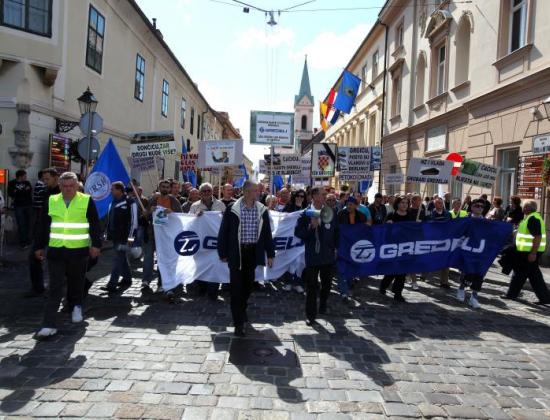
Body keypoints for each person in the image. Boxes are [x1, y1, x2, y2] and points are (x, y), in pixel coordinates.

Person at [34, 172, 102, 339]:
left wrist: (96, 244)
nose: (68, 189)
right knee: (54, 287)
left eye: (71, 186)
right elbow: (43, 225)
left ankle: (76, 306)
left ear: (77, 185)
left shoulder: (86, 200)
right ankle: (49, 324)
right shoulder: (52, 200)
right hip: (56, 251)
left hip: (78, 251)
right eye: (64, 186)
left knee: (76, 282)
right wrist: (39, 246)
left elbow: (95, 223)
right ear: (59, 186)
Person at [218, 180, 274, 337]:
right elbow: (224, 231)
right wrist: (222, 253)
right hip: (237, 253)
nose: (259, 192)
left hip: (253, 253)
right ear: (247, 191)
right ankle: (238, 323)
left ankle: (241, 310)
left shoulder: (262, 209)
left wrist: (270, 254)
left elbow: (267, 233)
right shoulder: (232, 208)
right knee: (236, 288)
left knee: (248, 286)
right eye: (256, 190)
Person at [295, 187, 338, 325]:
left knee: (327, 284)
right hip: (313, 255)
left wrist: (336, 247)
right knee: (312, 286)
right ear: (314, 196)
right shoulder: (305, 214)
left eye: (325, 194)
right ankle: (310, 315)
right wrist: (310, 227)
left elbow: (336, 231)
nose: (325, 196)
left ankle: (323, 303)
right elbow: (298, 233)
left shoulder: (331, 212)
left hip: (328, 255)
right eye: (323, 194)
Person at [503, 200, 550, 304]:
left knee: (519, 273)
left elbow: (537, 236)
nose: (523, 208)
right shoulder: (530, 217)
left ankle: (511, 294)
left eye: (524, 207)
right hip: (526, 251)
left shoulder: (533, 218)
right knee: (533, 275)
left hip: (529, 252)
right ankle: (545, 298)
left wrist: (533, 253)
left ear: (528, 208)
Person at [143, 180, 183, 292]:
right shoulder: (153, 200)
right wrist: (149, 211)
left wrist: (172, 212)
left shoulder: (174, 201)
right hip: (152, 234)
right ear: (159, 188)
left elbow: (180, 217)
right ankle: (146, 280)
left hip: (167, 236)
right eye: (163, 187)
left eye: (167, 187)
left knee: (163, 259)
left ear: (170, 189)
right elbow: (144, 216)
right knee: (148, 257)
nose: (165, 189)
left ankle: (162, 282)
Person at [26, 168, 60, 298]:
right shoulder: (47, 191)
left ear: (56, 178)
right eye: (43, 179)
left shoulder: (62, 192)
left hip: (56, 232)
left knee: (59, 263)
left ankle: (79, 286)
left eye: (47, 179)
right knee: (33, 257)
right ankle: (38, 288)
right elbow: (44, 214)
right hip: (43, 230)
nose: (45, 181)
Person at [190, 183, 226, 300]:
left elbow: (226, 221)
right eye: (204, 191)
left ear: (212, 192)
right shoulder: (195, 206)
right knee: (200, 264)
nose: (206, 193)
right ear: (200, 193)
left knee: (216, 265)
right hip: (201, 242)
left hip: (216, 241)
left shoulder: (220, 204)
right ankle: (202, 287)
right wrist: (195, 216)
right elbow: (189, 222)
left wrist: (223, 216)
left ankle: (213, 290)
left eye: (208, 191)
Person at [103, 182, 138, 292]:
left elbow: (134, 221)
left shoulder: (130, 202)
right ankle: (127, 279)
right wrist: (107, 234)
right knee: (121, 257)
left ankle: (112, 284)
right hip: (115, 236)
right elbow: (110, 219)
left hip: (124, 236)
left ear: (119, 190)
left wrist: (131, 237)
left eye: (112, 189)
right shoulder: (113, 202)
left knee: (118, 259)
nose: (111, 191)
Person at [379, 196, 414, 302]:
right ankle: (384, 285)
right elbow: (383, 231)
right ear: (397, 204)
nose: (404, 205)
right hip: (393, 247)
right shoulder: (391, 215)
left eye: (406, 203)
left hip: (405, 247)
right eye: (402, 202)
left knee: (402, 271)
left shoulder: (410, 216)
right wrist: (388, 225)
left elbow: (414, 230)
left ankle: (398, 293)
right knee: (392, 270)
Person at [456, 199, 487, 309]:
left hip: (480, 251)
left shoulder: (486, 222)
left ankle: (474, 297)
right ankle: (461, 289)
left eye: (481, 206)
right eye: (477, 206)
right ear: (472, 207)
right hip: (467, 250)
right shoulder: (466, 220)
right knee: (466, 272)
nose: (480, 208)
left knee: (479, 274)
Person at [337, 196, 367, 300]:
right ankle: (343, 291)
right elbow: (337, 228)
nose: (349, 206)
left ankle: (349, 286)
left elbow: (364, 230)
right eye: (347, 204)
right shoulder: (341, 214)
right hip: (343, 245)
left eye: (351, 204)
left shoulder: (362, 216)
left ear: (355, 206)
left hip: (355, 246)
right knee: (341, 268)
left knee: (351, 268)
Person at [427, 197, 452, 288]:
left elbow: (452, 225)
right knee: (429, 259)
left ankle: (444, 282)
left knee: (445, 261)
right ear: (434, 204)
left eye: (441, 203)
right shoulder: (430, 214)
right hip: (433, 241)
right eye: (438, 203)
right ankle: (424, 275)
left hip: (445, 240)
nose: (440, 204)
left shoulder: (448, 214)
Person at [8, 169, 33, 248]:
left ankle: (28, 240)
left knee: (28, 224)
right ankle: (23, 242)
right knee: (21, 224)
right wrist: (23, 191)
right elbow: (10, 194)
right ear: (20, 176)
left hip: (28, 205)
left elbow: (29, 192)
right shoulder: (12, 183)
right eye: (25, 176)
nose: (26, 177)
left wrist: (17, 192)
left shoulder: (27, 182)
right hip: (18, 206)